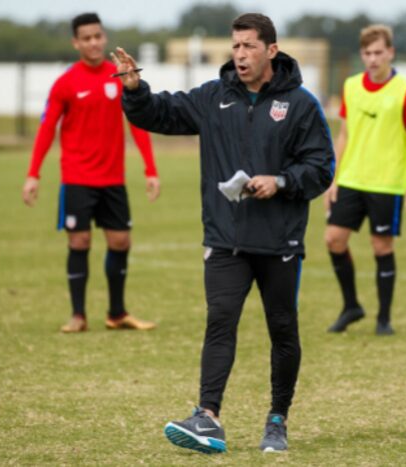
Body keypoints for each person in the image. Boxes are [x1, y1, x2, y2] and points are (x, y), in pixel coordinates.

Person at [113, 13, 333, 454]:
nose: (240, 54)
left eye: (249, 46)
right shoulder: (214, 97)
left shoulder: (302, 104)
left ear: (271, 50)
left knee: (282, 329)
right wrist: (135, 89)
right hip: (225, 237)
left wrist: (282, 182)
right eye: (235, 46)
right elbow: (161, 113)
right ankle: (207, 417)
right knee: (220, 322)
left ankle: (277, 420)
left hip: (279, 240)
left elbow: (321, 167)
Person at [22, 13, 160, 333]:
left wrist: (150, 169)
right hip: (77, 177)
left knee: (121, 241)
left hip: (113, 177)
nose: (94, 42)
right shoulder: (66, 83)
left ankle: (116, 313)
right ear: (76, 43)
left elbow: (137, 122)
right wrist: (33, 174)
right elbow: (46, 129)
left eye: (98, 36)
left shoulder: (121, 76)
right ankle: (78, 315)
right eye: (86, 38)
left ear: (104, 37)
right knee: (80, 241)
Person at [325, 25, 406, 336]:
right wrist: (333, 177)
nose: (372, 59)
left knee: (380, 246)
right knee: (333, 240)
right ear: (362, 55)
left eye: (378, 52)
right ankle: (351, 306)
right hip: (352, 178)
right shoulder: (351, 86)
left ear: (390, 53)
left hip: (388, 182)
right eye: (367, 53)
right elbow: (343, 134)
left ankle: (384, 319)